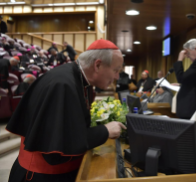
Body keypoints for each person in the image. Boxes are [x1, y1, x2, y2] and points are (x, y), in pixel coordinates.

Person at [6, 39, 126, 182]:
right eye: (116, 70)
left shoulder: (77, 78)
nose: (117, 77)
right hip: (40, 177)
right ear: (98, 65)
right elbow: (57, 151)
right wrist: (105, 130)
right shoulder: (63, 85)